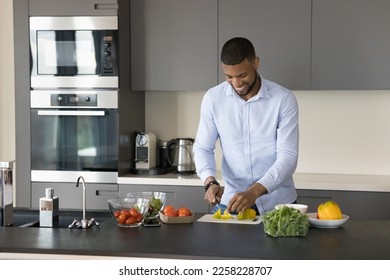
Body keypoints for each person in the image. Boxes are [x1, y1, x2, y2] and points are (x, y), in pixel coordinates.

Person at [193, 37, 299, 215]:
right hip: (231, 204)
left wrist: (254, 192)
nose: (237, 83)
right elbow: (203, 148)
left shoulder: (283, 99)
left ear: (256, 63)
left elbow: (288, 157)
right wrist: (210, 182)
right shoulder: (213, 99)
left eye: (242, 75)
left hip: (278, 205)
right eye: (229, 77)